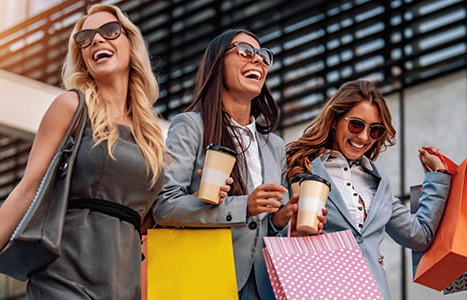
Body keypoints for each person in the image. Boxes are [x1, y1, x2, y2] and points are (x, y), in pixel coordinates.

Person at [0, 4, 166, 299]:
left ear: (131, 43)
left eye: (109, 31)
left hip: (121, 285)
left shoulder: (150, 133)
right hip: (64, 278)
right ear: (82, 58)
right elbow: (28, 190)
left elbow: (148, 219)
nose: (97, 40)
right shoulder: (72, 107)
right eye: (85, 38)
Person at [153, 29, 303, 300]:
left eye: (263, 56)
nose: (257, 60)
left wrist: (282, 219)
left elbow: (266, 227)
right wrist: (243, 205)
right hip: (206, 278)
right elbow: (165, 205)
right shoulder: (190, 126)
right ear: (217, 63)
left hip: (265, 285)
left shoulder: (275, 145)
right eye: (245, 51)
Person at [285, 80, 451, 299]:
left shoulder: (379, 183)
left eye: (375, 130)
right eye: (356, 124)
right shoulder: (300, 168)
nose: (363, 137)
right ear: (335, 120)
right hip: (319, 292)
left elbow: (419, 236)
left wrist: (436, 176)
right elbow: (274, 230)